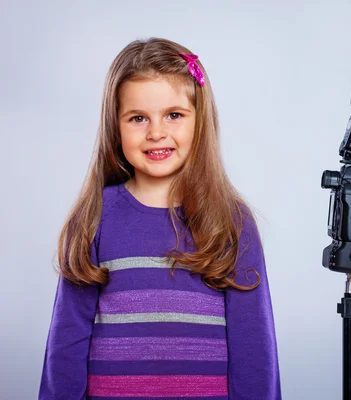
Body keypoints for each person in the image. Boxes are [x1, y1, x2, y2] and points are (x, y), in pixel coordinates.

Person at [38, 37, 282, 399]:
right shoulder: (94, 217)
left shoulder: (232, 221)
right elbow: (66, 341)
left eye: (174, 114)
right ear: (115, 126)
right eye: (138, 118)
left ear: (201, 121)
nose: (156, 132)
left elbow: (255, 348)